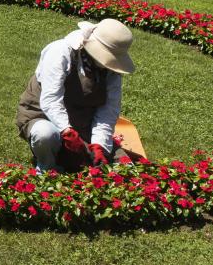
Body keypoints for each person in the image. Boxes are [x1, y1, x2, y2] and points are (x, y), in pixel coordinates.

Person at [15, 19, 135, 172]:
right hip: (43, 115)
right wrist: (67, 131)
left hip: (82, 124)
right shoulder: (60, 52)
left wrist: (99, 145)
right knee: (44, 135)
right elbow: (50, 100)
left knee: (127, 170)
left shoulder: (112, 72)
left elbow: (108, 111)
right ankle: (48, 169)